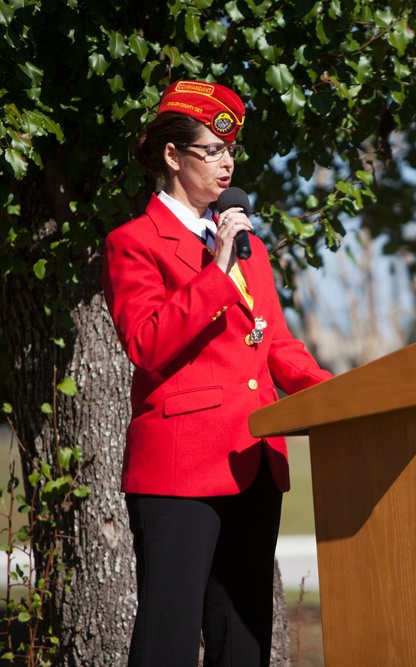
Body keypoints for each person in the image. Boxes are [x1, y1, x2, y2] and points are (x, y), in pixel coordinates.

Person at [102, 79, 332, 667]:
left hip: (252, 459)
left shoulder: (244, 242)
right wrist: (218, 268)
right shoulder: (135, 243)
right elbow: (147, 343)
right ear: (173, 156)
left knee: (244, 638)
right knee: (168, 640)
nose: (226, 162)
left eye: (232, 151)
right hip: (180, 467)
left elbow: (276, 344)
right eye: (211, 150)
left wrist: (342, 395)